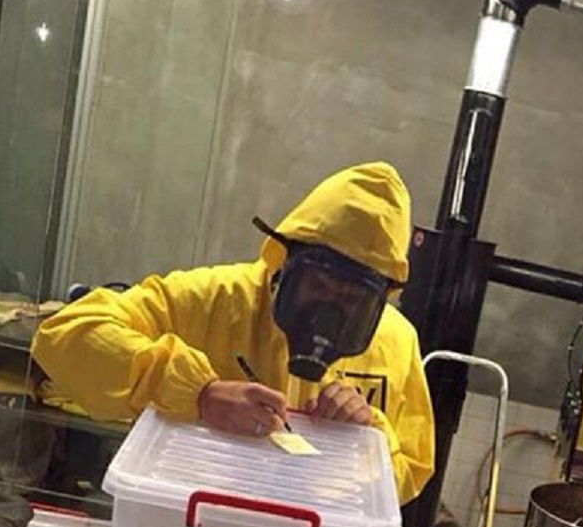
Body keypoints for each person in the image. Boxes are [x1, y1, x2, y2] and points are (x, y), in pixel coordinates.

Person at [32, 162, 434, 504]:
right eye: (317, 285)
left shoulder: (396, 343)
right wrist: (199, 393)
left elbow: (411, 472)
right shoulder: (213, 300)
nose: (328, 312)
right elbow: (65, 334)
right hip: (185, 525)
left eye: (351, 299)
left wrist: (364, 442)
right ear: (284, 263)